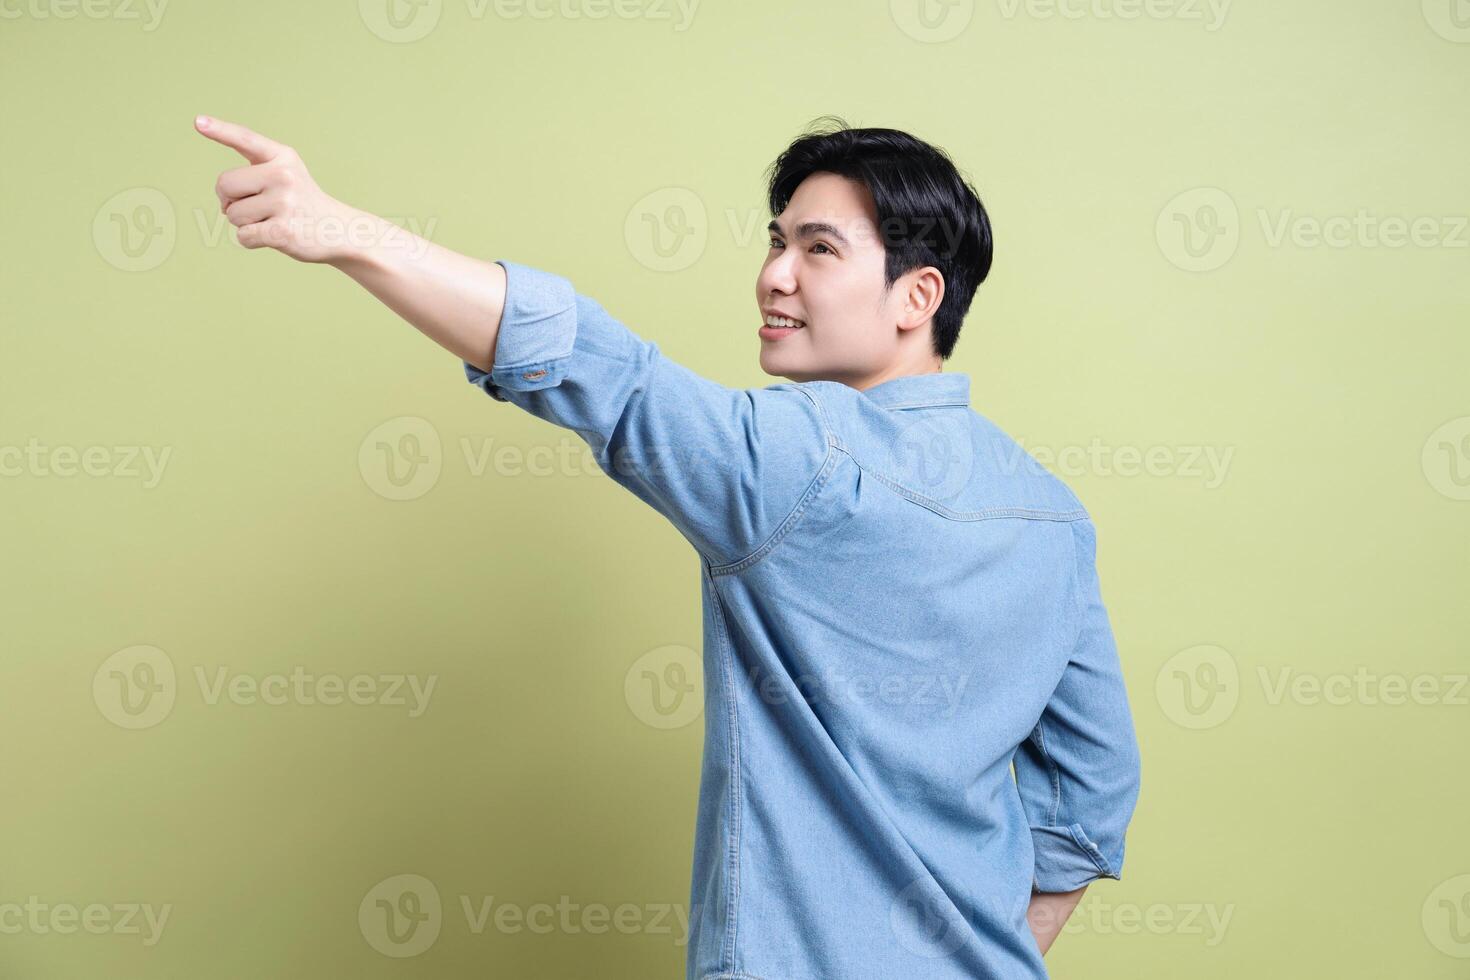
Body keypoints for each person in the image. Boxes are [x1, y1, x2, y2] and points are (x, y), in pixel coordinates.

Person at [196, 112, 1142, 979]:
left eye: (819, 249)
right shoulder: (1054, 517)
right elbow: (1091, 803)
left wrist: (343, 231)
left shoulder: (795, 461)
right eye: (776, 243)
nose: (775, 275)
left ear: (917, 296)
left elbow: (594, 368)